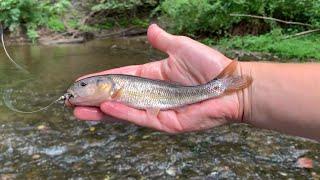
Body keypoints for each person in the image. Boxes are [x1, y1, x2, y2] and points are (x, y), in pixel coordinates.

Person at [73, 24, 320, 141]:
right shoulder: (111, 91)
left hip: (191, 90)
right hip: (181, 93)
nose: (81, 87)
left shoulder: (116, 86)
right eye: (83, 86)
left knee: (218, 85)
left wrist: (247, 97)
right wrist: (247, 98)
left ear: (106, 84)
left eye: (86, 85)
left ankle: (223, 87)